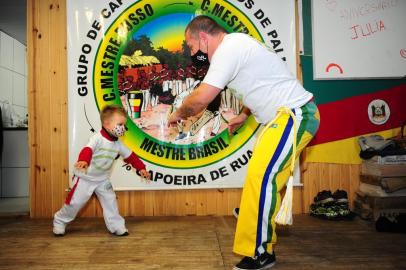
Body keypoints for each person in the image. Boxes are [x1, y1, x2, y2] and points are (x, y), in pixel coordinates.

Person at [168, 15, 320, 270]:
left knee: (262, 179)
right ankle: (259, 228)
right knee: (259, 178)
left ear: (203, 38)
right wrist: (243, 115)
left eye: (192, 47)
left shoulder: (229, 48)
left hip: (295, 115)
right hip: (281, 119)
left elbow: (200, 99)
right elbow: (257, 83)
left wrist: (177, 114)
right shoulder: (236, 47)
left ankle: (261, 252)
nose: (193, 53)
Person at [53, 105, 151, 237]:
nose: (123, 128)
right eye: (120, 124)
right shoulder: (97, 138)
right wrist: (84, 161)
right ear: (106, 124)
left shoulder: (118, 144)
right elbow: (88, 150)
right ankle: (59, 221)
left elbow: (131, 157)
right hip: (85, 178)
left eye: (124, 124)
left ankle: (117, 226)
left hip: (102, 180)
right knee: (75, 203)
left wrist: (141, 168)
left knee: (110, 202)